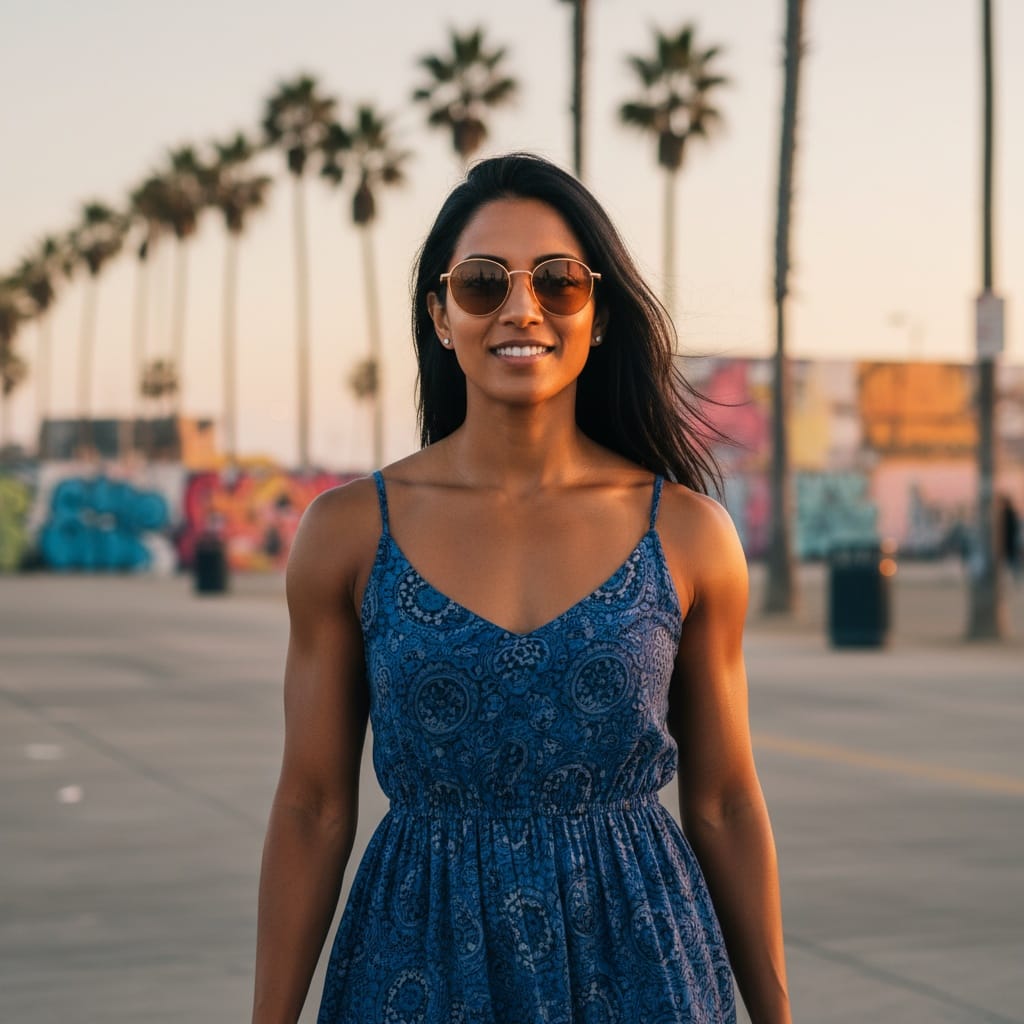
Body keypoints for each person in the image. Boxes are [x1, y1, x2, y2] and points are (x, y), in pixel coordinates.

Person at [252, 152, 790, 1023]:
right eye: (481, 281)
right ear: (439, 313)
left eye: (558, 281)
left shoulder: (688, 534)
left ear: (600, 312)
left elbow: (726, 803)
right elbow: (312, 807)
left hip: (642, 962)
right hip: (416, 960)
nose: (521, 307)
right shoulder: (349, 532)